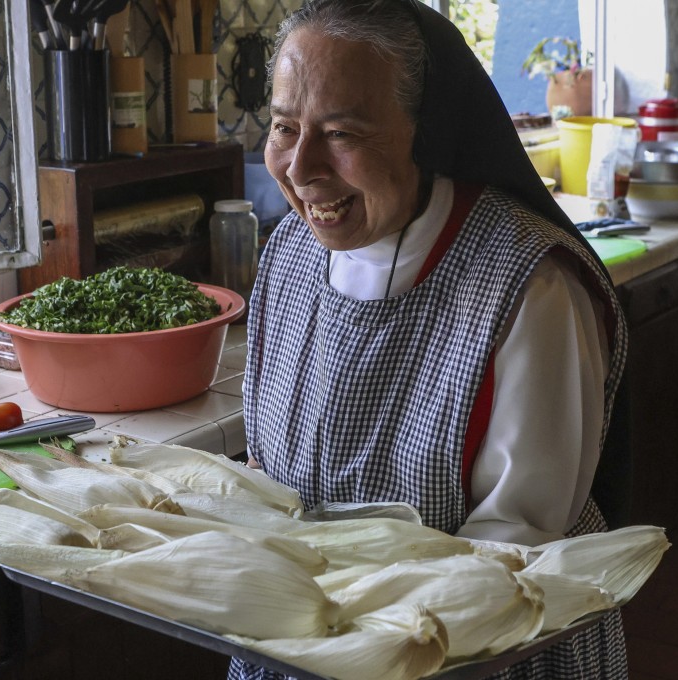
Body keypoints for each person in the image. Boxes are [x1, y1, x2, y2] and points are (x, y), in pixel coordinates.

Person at [231, 1, 630, 678]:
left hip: (472, 650)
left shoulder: (527, 287)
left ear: (425, 130)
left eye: (341, 132)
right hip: (303, 646)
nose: (299, 167)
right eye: (284, 127)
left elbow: (513, 547)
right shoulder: (287, 256)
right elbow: (272, 478)